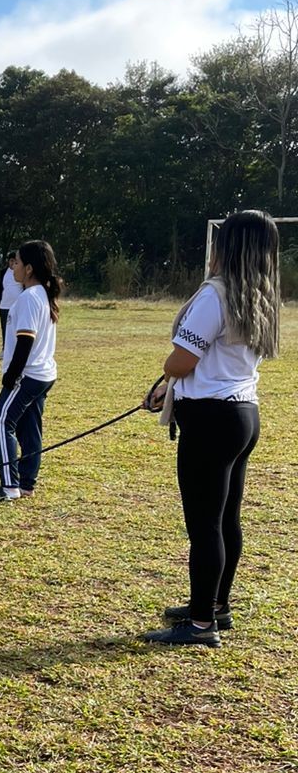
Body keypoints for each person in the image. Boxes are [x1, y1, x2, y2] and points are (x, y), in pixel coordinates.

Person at [142, 210, 281, 648]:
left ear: (228, 248)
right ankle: (215, 606)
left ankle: (200, 624)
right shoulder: (260, 295)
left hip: (209, 419)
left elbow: (183, 360)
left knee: (204, 524)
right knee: (225, 519)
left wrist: (167, 373)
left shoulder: (215, 295)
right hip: (242, 415)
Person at [0, 239, 62, 505]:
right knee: (29, 429)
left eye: (18, 262)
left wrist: (10, 377)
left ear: (29, 269)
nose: (13, 266)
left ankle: (10, 486)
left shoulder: (28, 298)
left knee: (1, 422)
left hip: (28, 376)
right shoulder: (42, 295)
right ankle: (26, 484)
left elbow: (25, 342)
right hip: (44, 374)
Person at [0, 250, 22, 358]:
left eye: (15, 261)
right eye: (11, 261)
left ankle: (18, 351)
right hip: (4, 305)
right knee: (5, 329)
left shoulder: (22, 273)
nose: (13, 263)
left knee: (17, 329)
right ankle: (5, 350)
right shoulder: (3, 272)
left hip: (17, 306)